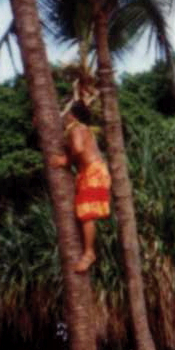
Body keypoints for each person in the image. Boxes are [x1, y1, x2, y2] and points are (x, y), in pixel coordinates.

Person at [50, 101, 111, 273]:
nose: (64, 115)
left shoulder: (77, 128)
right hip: (91, 172)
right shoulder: (80, 129)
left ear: (72, 116)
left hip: (94, 172)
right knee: (84, 213)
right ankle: (89, 251)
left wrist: (64, 160)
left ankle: (89, 253)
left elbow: (77, 148)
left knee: (87, 214)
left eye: (67, 112)